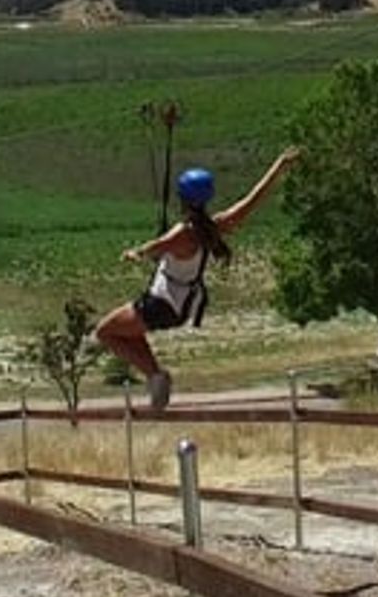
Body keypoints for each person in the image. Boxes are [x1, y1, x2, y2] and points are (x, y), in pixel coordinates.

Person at [95, 147, 299, 410]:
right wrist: (278, 166)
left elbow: (158, 245)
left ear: (183, 199)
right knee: (131, 335)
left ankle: (156, 376)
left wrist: (136, 252)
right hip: (181, 306)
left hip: (161, 302)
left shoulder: (184, 233)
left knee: (105, 332)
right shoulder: (214, 227)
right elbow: (250, 202)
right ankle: (155, 376)